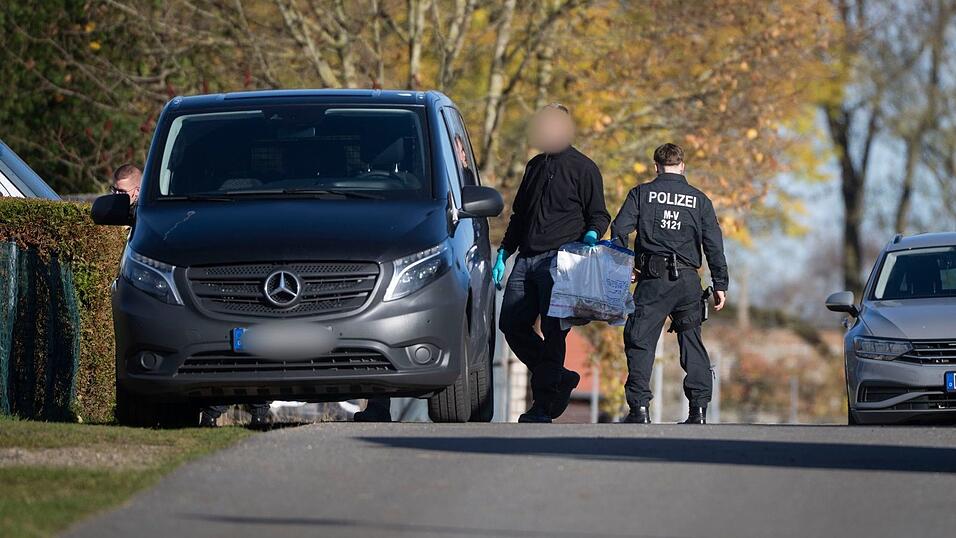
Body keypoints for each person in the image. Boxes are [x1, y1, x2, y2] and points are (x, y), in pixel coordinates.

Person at [494, 103, 611, 423]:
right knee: (511, 325)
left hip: (561, 261)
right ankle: (558, 375)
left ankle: (543, 405)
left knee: (553, 330)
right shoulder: (533, 167)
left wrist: (591, 234)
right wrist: (505, 252)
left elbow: (599, 214)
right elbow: (519, 216)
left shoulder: (584, 168)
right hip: (526, 259)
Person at [610, 143, 728, 424]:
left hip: (653, 281)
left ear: (656, 167)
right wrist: (720, 283)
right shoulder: (700, 200)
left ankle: (639, 410)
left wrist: (624, 266)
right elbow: (713, 244)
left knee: (640, 341)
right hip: (688, 282)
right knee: (692, 342)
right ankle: (698, 410)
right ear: (682, 166)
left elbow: (619, 230)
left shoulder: (641, 194)